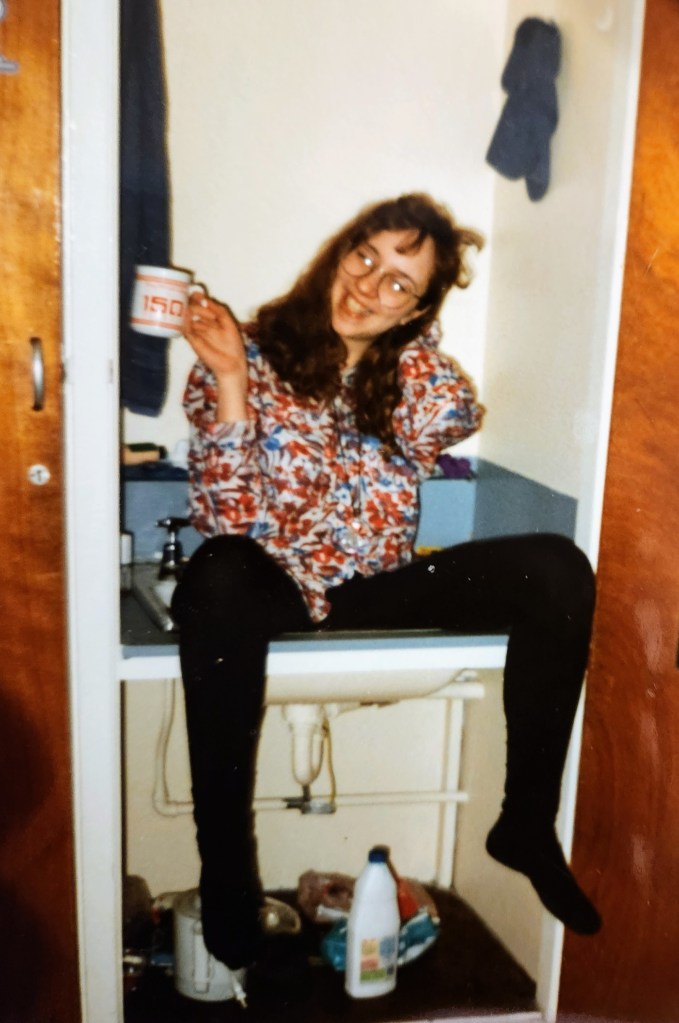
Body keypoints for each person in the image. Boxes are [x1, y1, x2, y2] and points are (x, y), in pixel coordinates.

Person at [171, 193, 601, 974]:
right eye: (364, 256)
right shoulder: (245, 352)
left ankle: (525, 824)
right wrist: (232, 375)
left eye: (399, 282)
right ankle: (225, 866)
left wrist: (397, 341)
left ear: (418, 309)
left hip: (373, 589)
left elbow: (454, 413)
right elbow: (227, 520)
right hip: (271, 587)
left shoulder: (404, 377)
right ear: (337, 252)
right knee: (217, 569)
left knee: (555, 566)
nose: (368, 285)